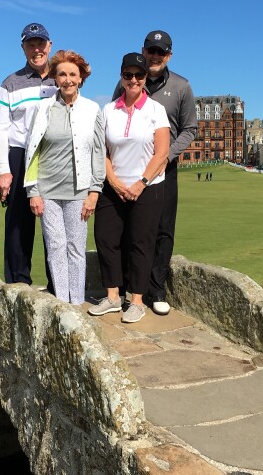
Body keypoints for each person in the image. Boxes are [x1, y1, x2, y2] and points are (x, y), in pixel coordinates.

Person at [112, 30, 197, 316]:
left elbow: (189, 129)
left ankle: (156, 288)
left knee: (162, 230)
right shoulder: (126, 83)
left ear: (169, 55)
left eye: (161, 52)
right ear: (144, 51)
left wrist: (166, 156)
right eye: (151, 50)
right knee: (128, 230)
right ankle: (128, 288)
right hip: (129, 171)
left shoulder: (181, 87)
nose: (155, 56)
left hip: (164, 170)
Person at [89, 53, 170, 323]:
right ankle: (113, 297)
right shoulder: (108, 110)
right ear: (121, 76)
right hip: (113, 186)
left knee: (140, 242)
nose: (133, 79)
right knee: (106, 238)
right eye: (128, 75)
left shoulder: (156, 110)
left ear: (146, 78)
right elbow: (102, 151)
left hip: (147, 187)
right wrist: (112, 181)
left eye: (139, 75)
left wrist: (140, 183)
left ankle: (136, 300)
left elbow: (162, 153)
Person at [23, 50, 104, 305]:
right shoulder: (44, 107)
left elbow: (98, 153)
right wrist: (32, 192)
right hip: (47, 191)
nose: (67, 79)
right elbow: (32, 150)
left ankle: (77, 303)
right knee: (56, 248)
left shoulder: (92, 109)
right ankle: (62, 304)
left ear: (81, 78)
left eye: (72, 74)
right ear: (55, 79)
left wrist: (94, 191)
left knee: (76, 249)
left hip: (79, 192)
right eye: (62, 74)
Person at [0, 22, 58, 287]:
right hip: (20, 154)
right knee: (19, 222)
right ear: (23, 48)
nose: (36, 49)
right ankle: (19, 284)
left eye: (40, 44)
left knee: (55, 222)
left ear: (49, 46)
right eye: (30, 44)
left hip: (53, 153)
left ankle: (58, 285)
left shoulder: (61, 78)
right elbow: (1, 130)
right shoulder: (10, 83)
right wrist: (5, 170)